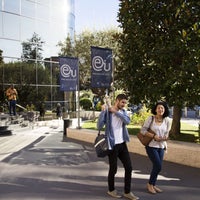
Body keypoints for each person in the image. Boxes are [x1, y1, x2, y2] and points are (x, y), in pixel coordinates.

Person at [97, 94, 139, 200]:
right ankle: (111, 190)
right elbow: (99, 126)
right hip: (112, 144)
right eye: (122, 102)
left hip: (122, 144)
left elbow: (128, 121)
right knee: (113, 169)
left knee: (129, 167)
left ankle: (127, 192)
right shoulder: (107, 112)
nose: (124, 105)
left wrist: (115, 112)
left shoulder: (123, 112)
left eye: (125, 103)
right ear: (117, 101)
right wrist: (103, 112)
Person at [140, 101, 170, 194]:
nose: (160, 109)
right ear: (156, 109)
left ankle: (153, 184)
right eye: (159, 108)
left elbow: (167, 133)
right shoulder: (151, 118)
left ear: (164, 110)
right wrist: (153, 136)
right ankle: (150, 184)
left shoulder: (167, 120)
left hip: (161, 146)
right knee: (158, 166)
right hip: (151, 146)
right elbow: (142, 130)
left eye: (162, 108)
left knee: (157, 167)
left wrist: (165, 138)